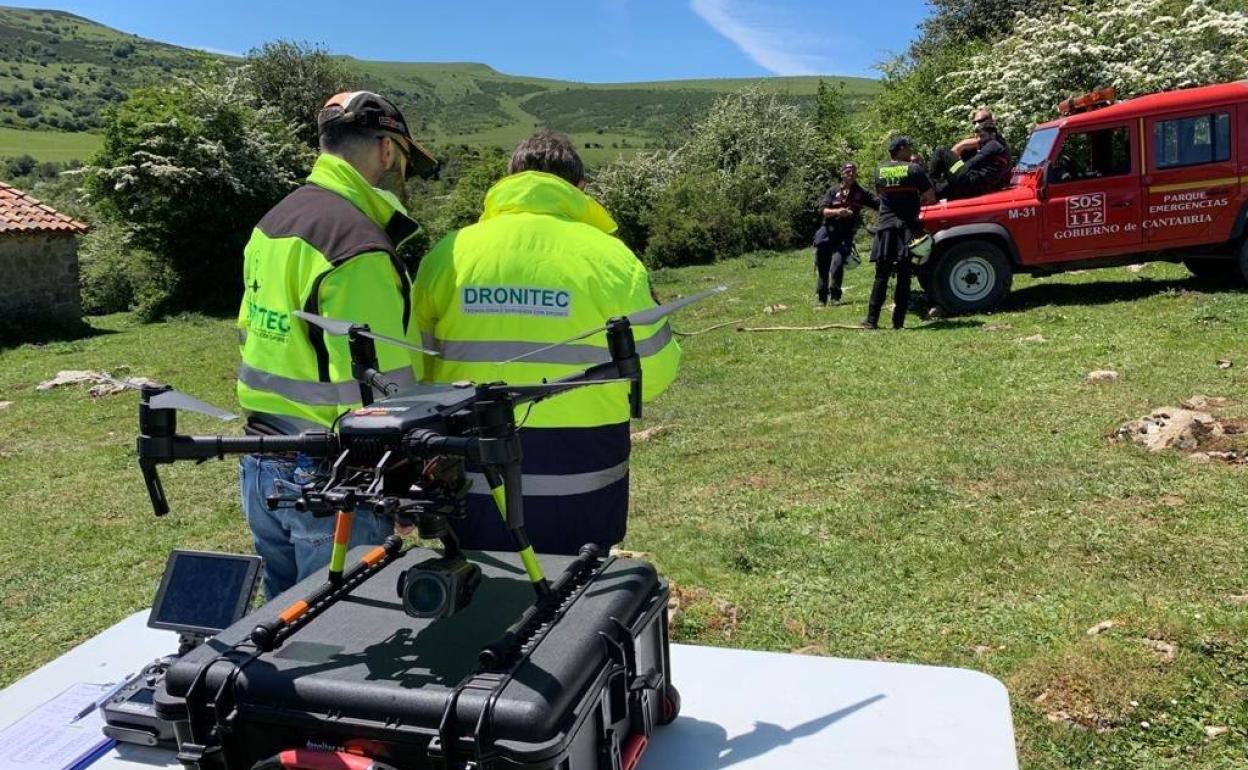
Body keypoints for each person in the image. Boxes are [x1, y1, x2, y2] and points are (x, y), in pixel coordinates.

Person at [412, 129, 681, 555]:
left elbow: (415, 370)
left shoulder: (447, 254)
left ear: (509, 179)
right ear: (579, 190)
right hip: (583, 468)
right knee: (575, 598)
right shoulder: (612, 257)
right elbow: (656, 370)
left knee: (477, 593)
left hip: (472, 464)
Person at [235, 91, 438, 598]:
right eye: (405, 160)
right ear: (388, 151)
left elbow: (250, 329)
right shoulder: (357, 244)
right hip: (334, 477)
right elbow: (383, 385)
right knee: (340, 634)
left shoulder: (272, 223)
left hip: (261, 461)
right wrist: (402, 480)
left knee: (280, 631)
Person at [863, 136, 935, 330]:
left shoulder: (880, 170)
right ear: (901, 149)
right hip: (907, 228)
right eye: (908, 147)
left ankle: (871, 320)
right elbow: (930, 196)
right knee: (904, 275)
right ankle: (898, 323)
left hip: (885, 227)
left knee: (881, 275)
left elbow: (880, 195)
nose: (910, 150)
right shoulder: (914, 169)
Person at [812, 162, 878, 306]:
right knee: (823, 266)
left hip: (845, 234)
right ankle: (821, 299)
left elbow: (877, 203)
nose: (851, 174)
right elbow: (823, 210)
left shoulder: (861, 192)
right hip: (827, 232)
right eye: (848, 171)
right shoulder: (833, 190)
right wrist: (837, 212)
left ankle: (835, 297)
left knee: (837, 263)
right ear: (842, 173)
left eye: (854, 171)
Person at [929, 108, 1013, 200]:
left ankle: (929, 183)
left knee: (942, 151)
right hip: (974, 186)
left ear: (992, 132)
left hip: (974, 184)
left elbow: (974, 161)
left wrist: (954, 172)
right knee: (939, 190)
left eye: (982, 134)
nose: (977, 125)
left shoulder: (994, 144)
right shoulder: (992, 146)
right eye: (975, 123)